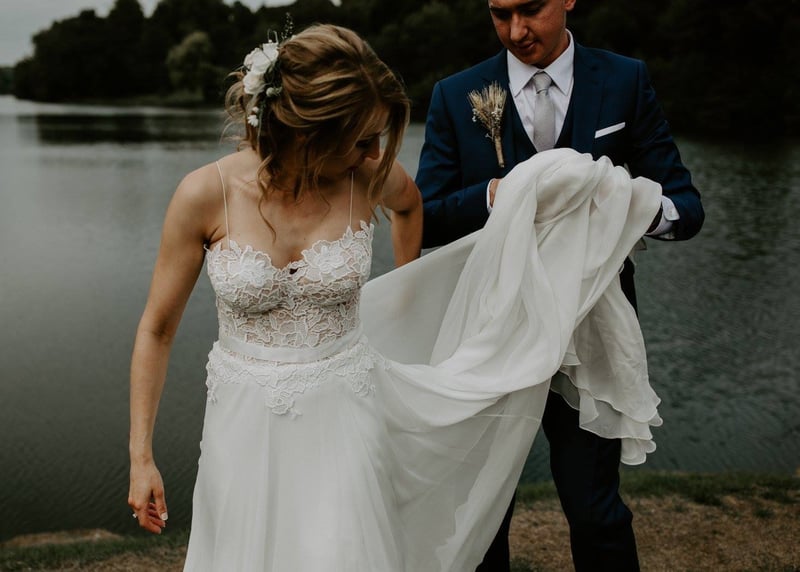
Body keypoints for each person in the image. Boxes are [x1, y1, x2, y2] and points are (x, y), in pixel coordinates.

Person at [129, 22, 663, 572]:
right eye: (362, 141)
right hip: (240, 424)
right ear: (309, 133)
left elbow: (411, 206)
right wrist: (141, 458)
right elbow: (156, 330)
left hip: (346, 416)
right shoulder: (204, 194)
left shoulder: (365, 178)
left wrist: (410, 293)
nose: (377, 153)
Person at [415, 0, 705, 570]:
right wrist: (496, 196)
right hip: (490, 333)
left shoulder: (625, 80)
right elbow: (423, 217)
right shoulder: (456, 93)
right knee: (482, 511)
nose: (516, 31)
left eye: (530, 10)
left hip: (590, 334)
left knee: (595, 510)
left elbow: (686, 209)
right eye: (500, 14)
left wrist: (622, 202)